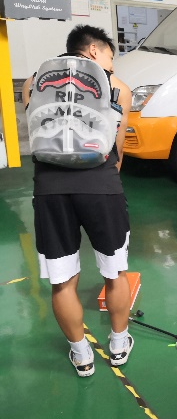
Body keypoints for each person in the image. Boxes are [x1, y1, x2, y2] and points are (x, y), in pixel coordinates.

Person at [23, 25, 133, 377]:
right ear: (94, 50)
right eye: (111, 56)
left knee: (62, 280)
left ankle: (81, 354)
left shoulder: (32, 82)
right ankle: (119, 343)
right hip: (100, 186)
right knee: (115, 273)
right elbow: (117, 147)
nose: (112, 64)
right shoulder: (118, 88)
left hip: (50, 188)